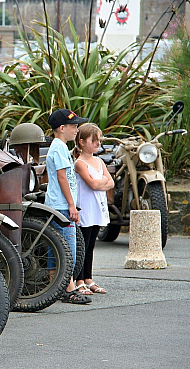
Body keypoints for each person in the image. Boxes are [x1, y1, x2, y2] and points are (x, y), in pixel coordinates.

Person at [46, 109, 91, 304]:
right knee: (67, 250)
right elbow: (62, 176)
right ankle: (67, 288)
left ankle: (57, 286)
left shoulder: (61, 146)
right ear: (62, 128)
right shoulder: (58, 148)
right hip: (61, 206)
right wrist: (72, 205)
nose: (77, 130)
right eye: (74, 127)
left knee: (57, 248)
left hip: (61, 204)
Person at [73, 123, 113, 295]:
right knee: (83, 244)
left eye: (99, 140)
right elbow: (92, 183)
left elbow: (110, 182)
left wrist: (100, 183)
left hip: (97, 208)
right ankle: (79, 279)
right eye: (94, 140)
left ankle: (88, 278)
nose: (98, 144)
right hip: (85, 209)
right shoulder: (80, 163)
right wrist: (101, 183)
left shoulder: (99, 161)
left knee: (91, 245)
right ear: (82, 142)